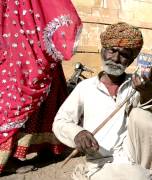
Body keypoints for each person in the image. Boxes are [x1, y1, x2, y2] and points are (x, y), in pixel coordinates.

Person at [53, 22, 152, 180]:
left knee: (141, 115)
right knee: (135, 177)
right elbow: (60, 121)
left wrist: (148, 94)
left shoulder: (137, 85)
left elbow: (151, 122)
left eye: (124, 55)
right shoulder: (84, 88)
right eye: (111, 51)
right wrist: (78, 133)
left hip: (134, 156)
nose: (115, 58)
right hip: (101, 161)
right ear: (102, 50)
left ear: (131, 59)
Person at [0, 0, 82, 173]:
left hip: (27, 41)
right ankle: (6, 159)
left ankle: (50, 147)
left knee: (48, 92)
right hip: (20, 42)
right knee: (18, 95)